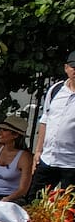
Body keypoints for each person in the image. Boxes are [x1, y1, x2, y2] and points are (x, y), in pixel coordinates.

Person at [32, 51, 75, 193]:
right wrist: (38, 150)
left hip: (71, 163)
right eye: (73, 67)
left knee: (66, 209)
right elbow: (45, 120)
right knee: (34, 200)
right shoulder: (55, 90)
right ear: (66, 68)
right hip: (48, 158)